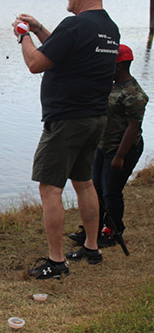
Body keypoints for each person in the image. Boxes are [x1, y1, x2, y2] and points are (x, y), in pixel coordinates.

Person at [12, 0, 120, 279]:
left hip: (66, 120)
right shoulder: (108, 27)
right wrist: (39, 30)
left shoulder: (75, 25)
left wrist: (23, 35)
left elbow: (36, 63)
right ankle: (91, 248)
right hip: (95, 118)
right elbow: (62, 52)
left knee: (50, 189)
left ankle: (56, 261)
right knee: (84, 184)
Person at [68, 44, 149, 248]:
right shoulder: (109, 86)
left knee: (111, 192)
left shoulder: (134, 93)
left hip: (122, 149)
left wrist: (120, 156)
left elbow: (133, 128)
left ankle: (113, 231)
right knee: (95, 188)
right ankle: (91, 231)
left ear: (119, 65)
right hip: (102, 147)